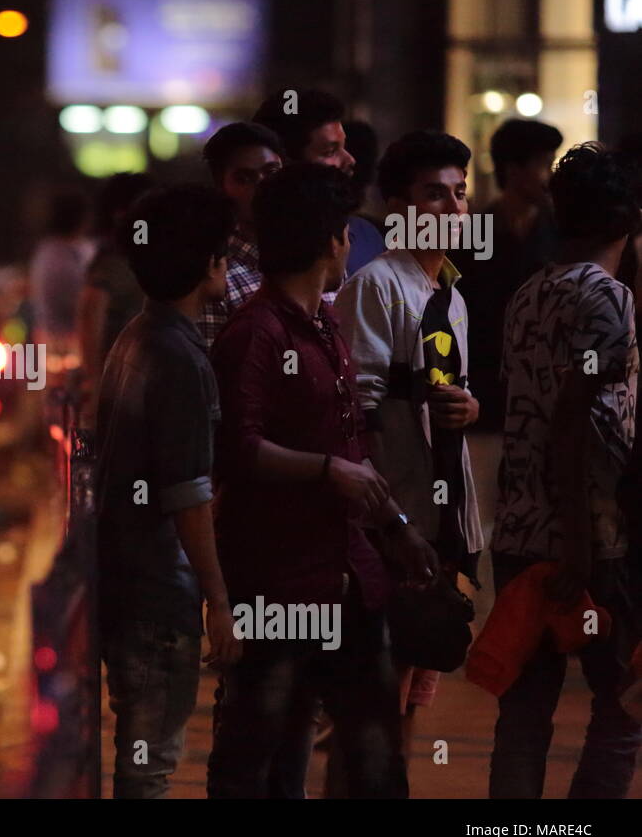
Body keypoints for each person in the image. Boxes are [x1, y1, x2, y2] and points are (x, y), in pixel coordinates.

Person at [207, 163, 437, 799]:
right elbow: (237, 448)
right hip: (280, 580)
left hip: (349, 576)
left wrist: (395, 529)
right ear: (329, 240)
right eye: (344, 234)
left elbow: (351, 448)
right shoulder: (254, 334)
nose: (348, 247)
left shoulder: (325, 327)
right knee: (257, 758)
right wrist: (326, 472)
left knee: (372, 757)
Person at [489, 142, 642, 798]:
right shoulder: (608, 299)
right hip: (590, 545)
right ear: (627, 217)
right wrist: (581, 545)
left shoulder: (531, 292)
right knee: (622, 705)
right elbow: (576, 419)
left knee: (524, 714)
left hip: (519, 534)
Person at [334, 130, 485, 766]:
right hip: (394, 520)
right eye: (434, 196)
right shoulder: (376, 286)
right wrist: (388, 523)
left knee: (416, 686)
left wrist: (468, 405)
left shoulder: (450, 295)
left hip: (441, 514)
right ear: (398, 208)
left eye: (459, 195)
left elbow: (449, 391)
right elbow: (356, 412)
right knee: (373, 700)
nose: (453, 211)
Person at [95, 183, 241, 798]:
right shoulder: (180, 356)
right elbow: (187, 492)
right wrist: (218, 600)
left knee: (140, 758)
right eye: (225, 253)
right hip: (158, 593)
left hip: (125, 582)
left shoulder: (137, 335)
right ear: (208, 263)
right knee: (150, 767)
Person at [461, 118, 563, 430]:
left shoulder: (561, 229)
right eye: (544, 164)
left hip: (545, 383)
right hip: (488, 384)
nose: (549, 176)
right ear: (513, 169)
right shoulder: (476, 231)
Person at [253, 88, 384, 276]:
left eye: (344, 147)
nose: (350, 160)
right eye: (330, 151)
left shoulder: (366, 238)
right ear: (283, 164)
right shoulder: (244, 263)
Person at [197, 122, 283, 351]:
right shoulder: (217, 277)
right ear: (221, 188)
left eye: (272, 172)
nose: (263, 186)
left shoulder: (316, 256)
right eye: (244, 178)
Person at [77, 172, 152, 424]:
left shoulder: (134, 257)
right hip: (117, 387)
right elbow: (90, 318)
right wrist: (94, 384)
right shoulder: (112, 262)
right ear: (121, 215)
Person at [28, 189, 93, 363]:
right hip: (64, 347)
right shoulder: (58, 260)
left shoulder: (47, 253)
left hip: (55, 342)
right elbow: (79, 304)